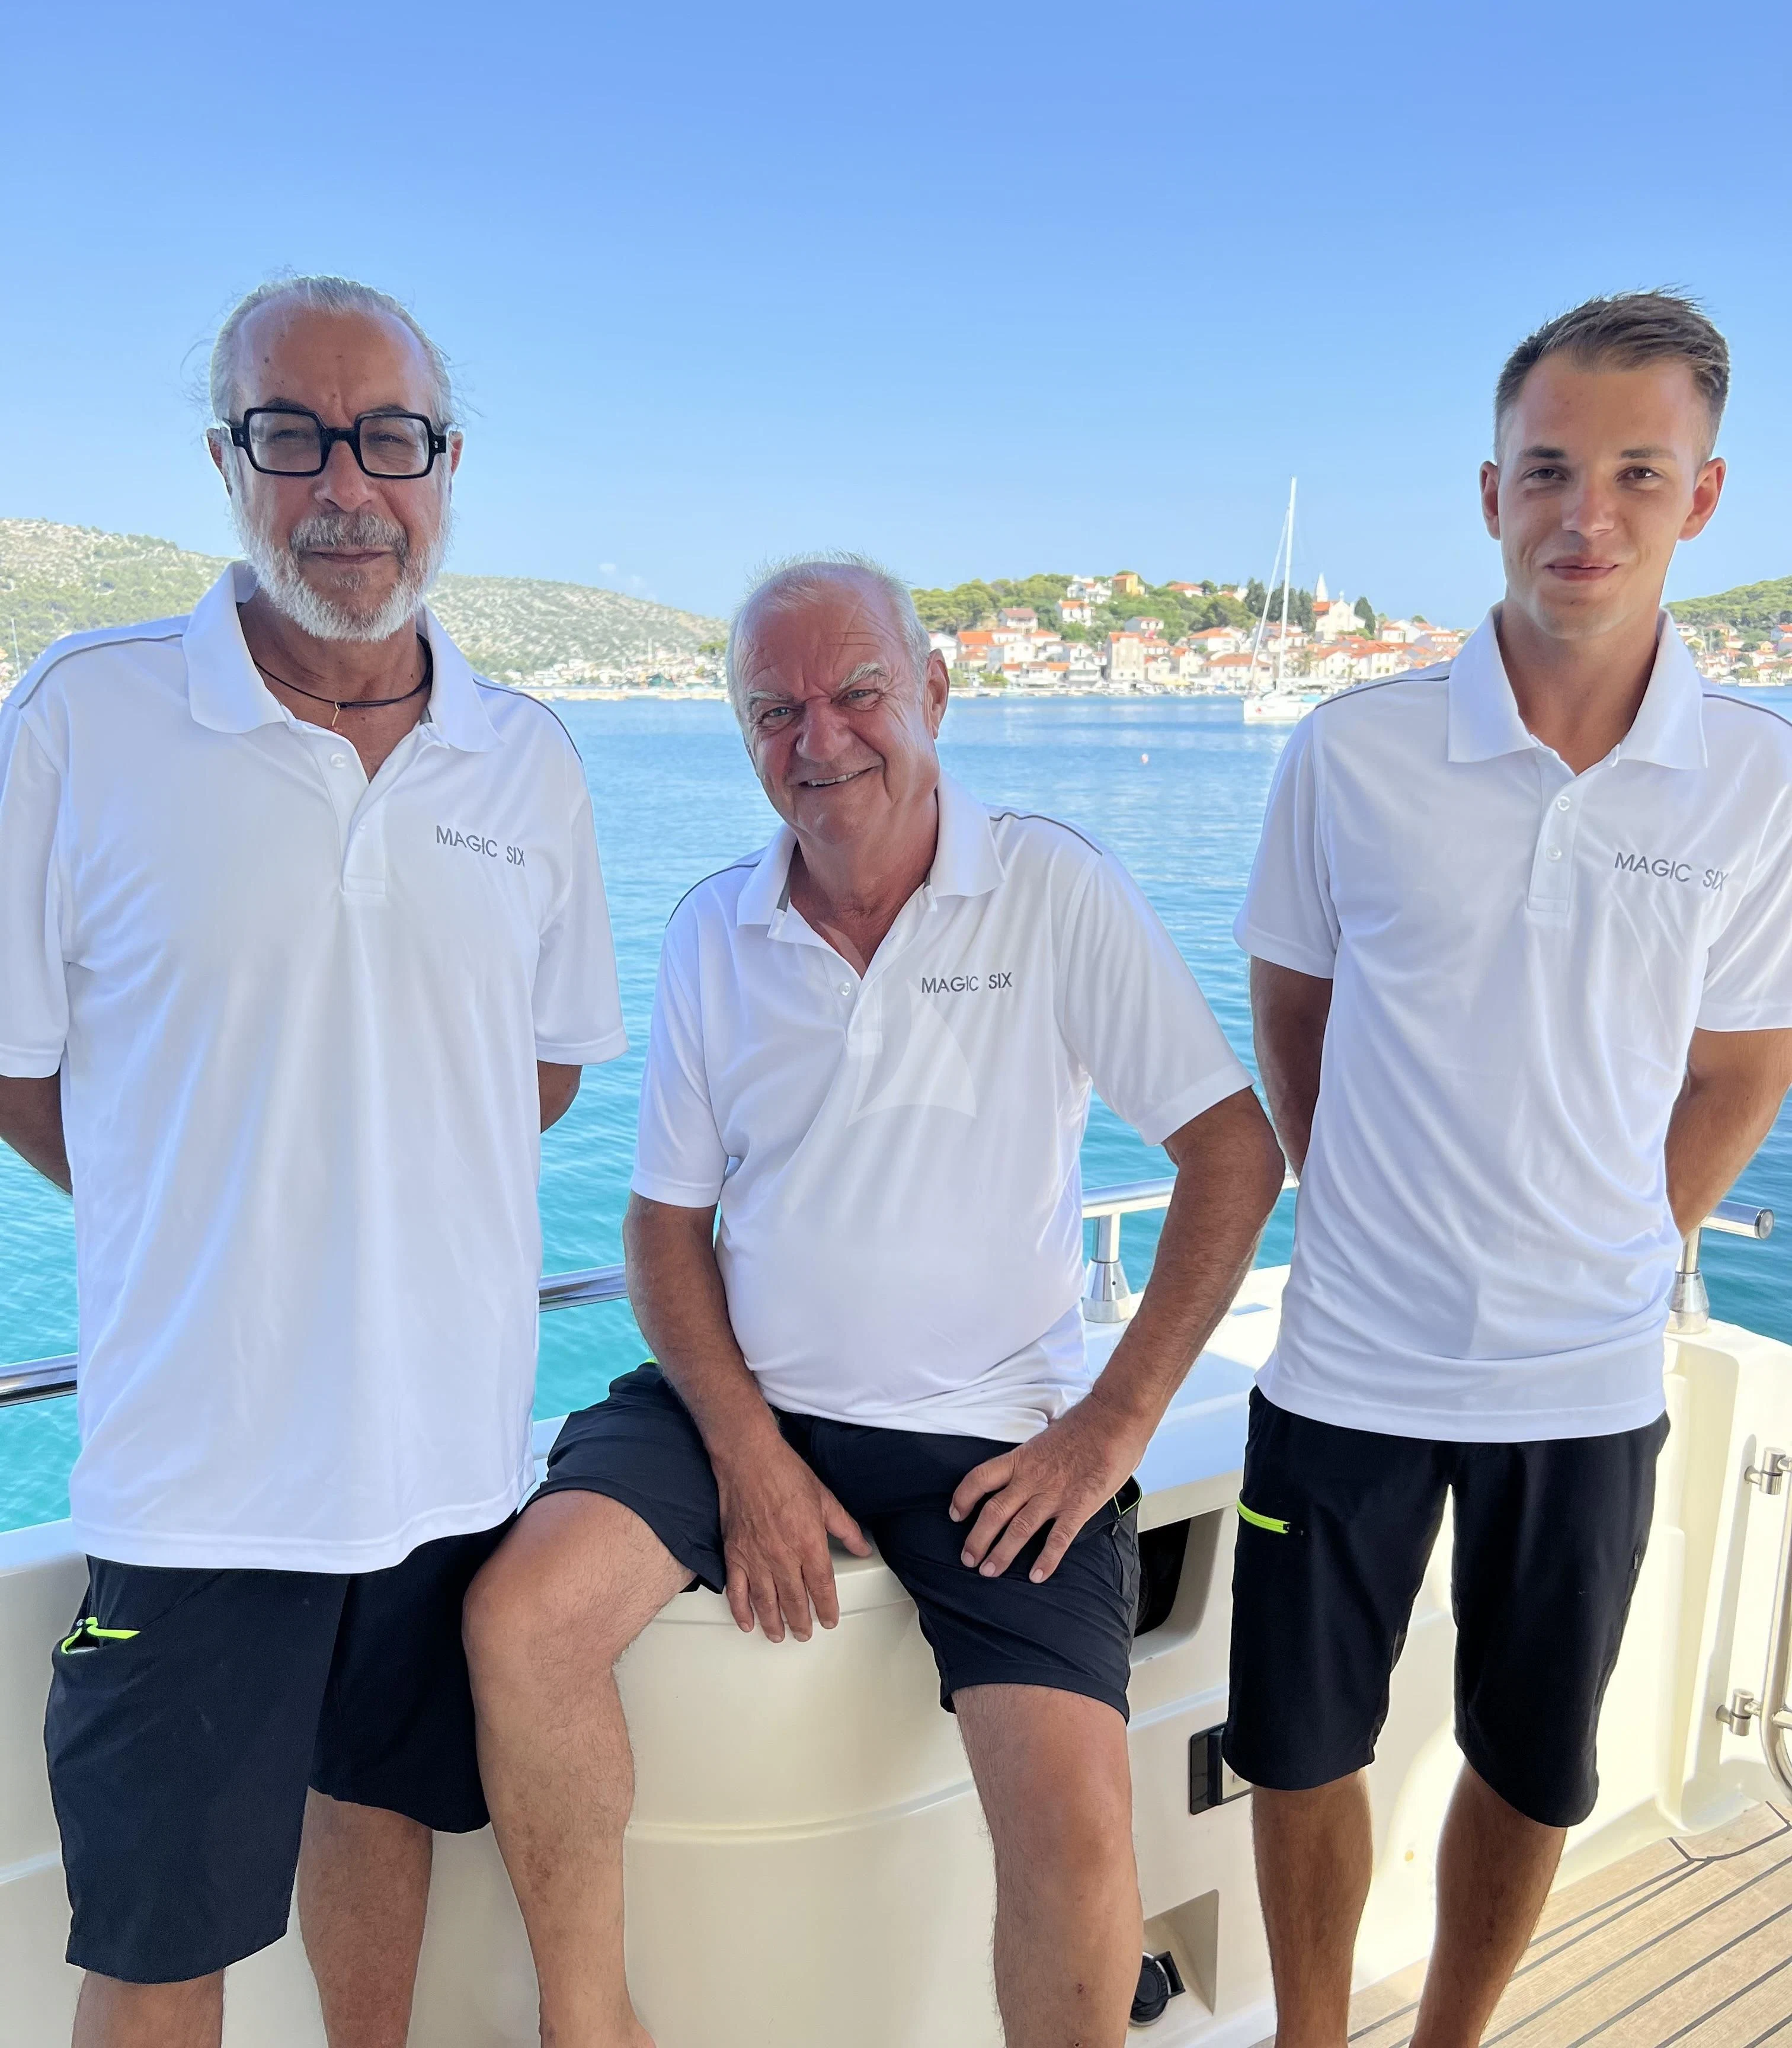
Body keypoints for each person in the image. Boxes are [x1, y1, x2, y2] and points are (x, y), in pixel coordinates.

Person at [463, 555, 1285, 2048]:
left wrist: (1111, 1429)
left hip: (1000, 1432)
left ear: (936, 697)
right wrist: (750, 1452)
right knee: (521, 1623)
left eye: (858, 694)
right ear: (744, 739)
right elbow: (663, 1232)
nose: (820, 738)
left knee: (1080, 1832)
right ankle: (590, 2034)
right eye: (775, 711)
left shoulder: (1053, 886)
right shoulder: (717, 931)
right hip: (746, 1401)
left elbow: (1232, 1151)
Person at [0, 275, 627, 2048]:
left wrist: (371, 1171)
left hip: (445, 1458)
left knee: (388, 1829)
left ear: (448, 466)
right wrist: (192, 1192)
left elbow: (549, 1069)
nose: (347, 485)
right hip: (200, 1475)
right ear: (226, 461)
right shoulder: (80, 720)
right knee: (159, 1941)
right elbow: (14, 1067)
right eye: (294, 435)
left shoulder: (533, 756)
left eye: (391, 439)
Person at [1227, 290, 1792, 2047]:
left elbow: (1746, 1059)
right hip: (1346, 1365)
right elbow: (1293, 1010)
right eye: (1548, 469)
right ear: (1489, 492)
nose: (1585, 515)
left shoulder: (1755, 781)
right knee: (1298, 1744)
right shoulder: (1355, 751)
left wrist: (1633, 1231)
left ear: (1703, 499)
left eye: (1638, 472)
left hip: (1593, 1370)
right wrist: (1371, 1207)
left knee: (1535, 1761)